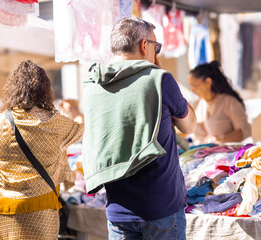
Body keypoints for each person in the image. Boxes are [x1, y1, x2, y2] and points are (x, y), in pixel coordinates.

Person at [82, 17, 196, 240]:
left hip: (118, 209)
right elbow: (189, 125)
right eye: (157, 47)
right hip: (160, 206)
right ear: (145, 46)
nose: (157, 52)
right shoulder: (159, 79)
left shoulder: (93, 85)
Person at [0, 60, 84, 239]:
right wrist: (74, 109)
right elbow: (81, 128)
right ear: (45, 90)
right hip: (40, 207)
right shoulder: (55, 123)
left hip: (3, 208)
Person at [188, 60, 251, 144]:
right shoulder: (199, 104)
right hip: (205, 153)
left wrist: (221, 141)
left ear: (208, 82)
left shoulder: (229, 102)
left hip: (228, 153)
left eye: (195, 85)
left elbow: (245, 131)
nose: (192, 90)